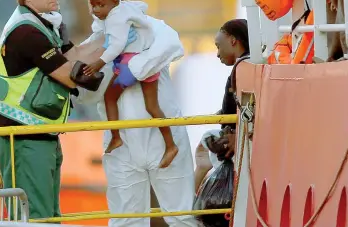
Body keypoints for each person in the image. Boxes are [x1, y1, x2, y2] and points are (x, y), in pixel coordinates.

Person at [0, 0, 137, 220]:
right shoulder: (27, 33)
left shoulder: (46, 23)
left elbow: (74, 55)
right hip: (22, 137)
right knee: (34, 216)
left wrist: (112, 32)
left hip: (42, 133)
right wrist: (110, 54)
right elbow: (73, 75)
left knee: (51, 214)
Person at [74, 13, 199, 227]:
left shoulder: (151, 29)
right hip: (122, 143)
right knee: (126, 219)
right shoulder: (100, 43)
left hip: (161, 138)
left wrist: (133, 69)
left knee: (182, 215)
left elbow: (172, 45)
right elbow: (85, 93)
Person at [82, 0, 178, 168]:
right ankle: (170, 145)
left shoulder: (116, 17)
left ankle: (116, 137)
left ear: (115, 2)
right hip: (146, 64)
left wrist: (99, 63)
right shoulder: (126, 9)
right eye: (93, 5)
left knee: (109, 97)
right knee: (153, 107)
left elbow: (116, 45)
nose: (96, 10)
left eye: (101, 5)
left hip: (129, 66)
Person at [195, 19, 251, 185]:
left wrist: (236, 134)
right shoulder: (243, 67)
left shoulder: (244, 68)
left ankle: (187, 208)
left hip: (239, 144)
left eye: (218, 46)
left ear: (233, 40)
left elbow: (251, 107)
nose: (217, 53)